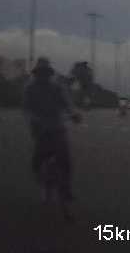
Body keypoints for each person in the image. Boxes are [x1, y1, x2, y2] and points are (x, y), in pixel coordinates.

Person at [23, 57, 80, 216]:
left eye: (46, 73)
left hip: (57, 127)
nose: (43, 76)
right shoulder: (30, 88)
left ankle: (66, 190)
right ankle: (42, 181)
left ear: (49, 74)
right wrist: (34, 120)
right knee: (37, 161)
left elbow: (68, 104)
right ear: (36, 74)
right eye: (40, 73)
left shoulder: (57, 87)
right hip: (39, 128)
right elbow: (26, 109)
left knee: (66, 161)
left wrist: (74, 114)